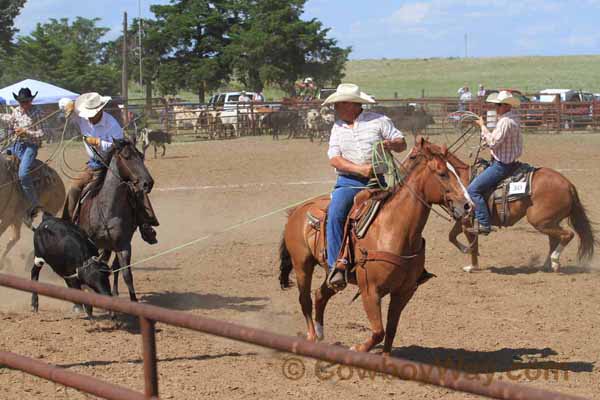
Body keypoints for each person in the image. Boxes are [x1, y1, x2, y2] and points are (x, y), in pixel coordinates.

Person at [323, 83, 407, 290]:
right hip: (349, 183)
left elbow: (401, 143)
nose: (336, 108)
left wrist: (392, 144)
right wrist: (359, 170)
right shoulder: (338, 127)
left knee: (404, 214)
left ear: (352, 104)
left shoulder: (379, 121)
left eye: (339, 104)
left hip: (377, 181)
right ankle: (337, 266)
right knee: (335, 214)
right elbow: (334, 158)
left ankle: (409, 261)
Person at [59, 93, 159, 244]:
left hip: (114, 165)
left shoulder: (111, 124)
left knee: (135, 189)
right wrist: (68, 105)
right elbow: (62, 102)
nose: (90, 117)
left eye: (93, 114)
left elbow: (118, 146)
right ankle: (65, 226)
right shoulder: (82, 117)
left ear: (100, 110)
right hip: (94, 165)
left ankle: (145, 223)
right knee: (74, 187)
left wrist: (99, 142)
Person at [467, 91, 522, 235]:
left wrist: (482, 126)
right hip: (510, 161)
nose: (495, 108)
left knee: (473, 189)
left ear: (505, 106)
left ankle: (484, 223)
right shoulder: (513, 119)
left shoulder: (504, 122)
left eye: (497, 105)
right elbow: (500, 142)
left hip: (501, 165)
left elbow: (492, 142)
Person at [0, 88, 49, 210]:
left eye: (26, 102)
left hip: (30, 146)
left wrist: (26, 132)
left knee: (23, 174)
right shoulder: (16, 111)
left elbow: (45, 133)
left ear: (30, 101)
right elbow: (10, 120)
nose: (24, 104)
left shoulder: (38, 112)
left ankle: (33, 204)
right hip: (15, 145)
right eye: (21, 102)